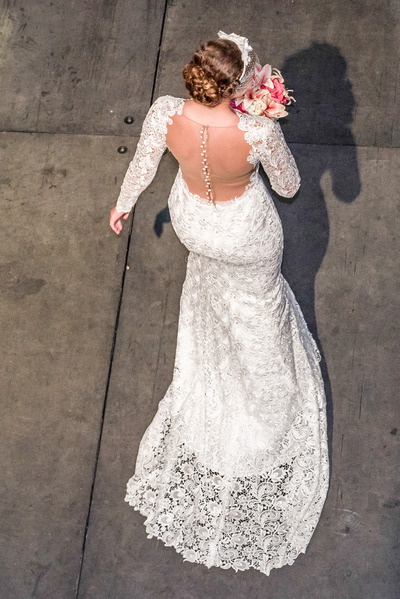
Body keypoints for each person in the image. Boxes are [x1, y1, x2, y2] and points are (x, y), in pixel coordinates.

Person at [109, 32, 329, 576]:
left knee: (211, 286)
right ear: (233, 87)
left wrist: (123, 205)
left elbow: (143, 166)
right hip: (244, 234)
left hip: (194, 224)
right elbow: (289, 187)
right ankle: (267, 400)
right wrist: (266, 127)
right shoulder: (257, 129)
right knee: (259, 304)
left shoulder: (164, 112)